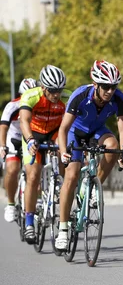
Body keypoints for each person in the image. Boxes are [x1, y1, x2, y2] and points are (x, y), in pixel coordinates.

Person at [55, 60, 123, 251]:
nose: (110, 91)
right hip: (75, 133)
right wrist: (64, 152)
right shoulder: (80, 95)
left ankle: (95, 188)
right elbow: (63, 129)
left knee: (113, 145)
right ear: (95, 84)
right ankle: (63, 230)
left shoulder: (118, 98)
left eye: (113, 87)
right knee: (71, 176)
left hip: (97, 132)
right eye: (106, 86)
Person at [19, 66, 71, 244]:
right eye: (52, 91)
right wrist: (30, 140)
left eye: (59, 90)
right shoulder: (31, 96)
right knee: (33, 176)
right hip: (34, 134)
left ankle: (61, 185)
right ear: (43, 87)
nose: (56, 94)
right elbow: (24, 121)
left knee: (64, 151)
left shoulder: (67, 97)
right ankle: (29, 223)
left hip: (55, 133)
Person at [1, 78, 38, 222]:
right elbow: (3, 127)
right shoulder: (12, 106)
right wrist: (2, 146)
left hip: (31, 139)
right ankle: (10, 204)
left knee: (36, 172)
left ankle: (37, 200)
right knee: (12, 169)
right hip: (14, 139)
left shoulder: (39, 105)